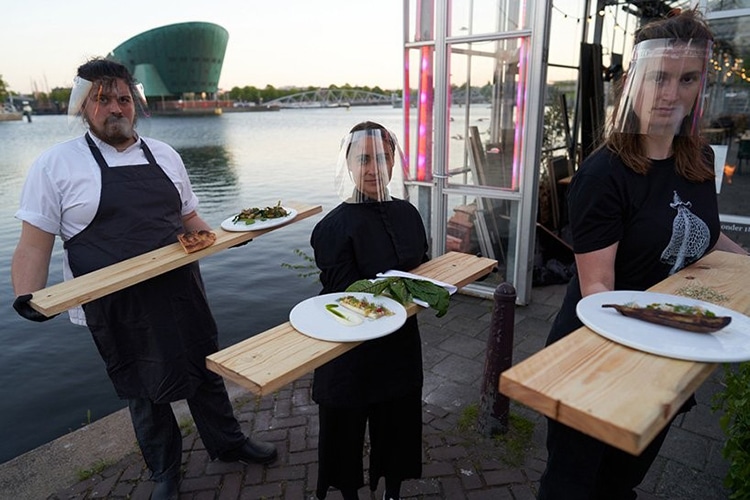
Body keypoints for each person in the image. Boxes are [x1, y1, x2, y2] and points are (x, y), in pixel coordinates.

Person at [10, 58, 276, 500]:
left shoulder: (165, 154)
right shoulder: (54, 165)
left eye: (123, 98)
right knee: (143, 389)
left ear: (135, 103)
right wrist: (27, 296)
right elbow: (34, 244)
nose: (115, 107)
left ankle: (228, 443)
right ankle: (165, 472)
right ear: (83, 106)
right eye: (102, 98)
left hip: (181, 289)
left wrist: (230, 238)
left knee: (204, 370)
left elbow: (190, 217)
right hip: (116, 304)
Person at [537, 9, 747, 500]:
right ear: (633, 81)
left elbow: (705, 236)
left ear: (701, 86)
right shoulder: (603, 175)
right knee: (573, 484)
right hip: (597, 353)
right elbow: (598, 292)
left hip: (665, 345)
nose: (671, 93)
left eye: (687, 78)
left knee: (623, 480)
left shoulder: (699, 158)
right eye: (658, 77)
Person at [310, 121, 427, 500]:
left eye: (381, 157)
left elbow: (420, 269)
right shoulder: (331, 228)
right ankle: (349, 493)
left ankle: (392, 489)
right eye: (363, 159)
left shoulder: (409, 214)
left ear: (393, 162)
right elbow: (346, 294)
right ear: (348, 163)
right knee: (343, 429)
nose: (373, 168)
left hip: (398, 344)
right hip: (349, 350)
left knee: (398, 423)